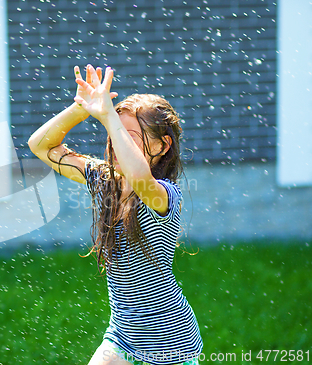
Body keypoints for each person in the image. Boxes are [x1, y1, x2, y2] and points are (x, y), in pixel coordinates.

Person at [28, 64, 203, 365]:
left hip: (170, 343)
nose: (116, 141)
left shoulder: (162, 194)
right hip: (121, 335)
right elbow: (41, 147)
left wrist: (110, 115)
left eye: (128, 135)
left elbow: (140, 178)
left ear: (163, 146)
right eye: (113, 132)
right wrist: (81, 108)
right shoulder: (105, 180)